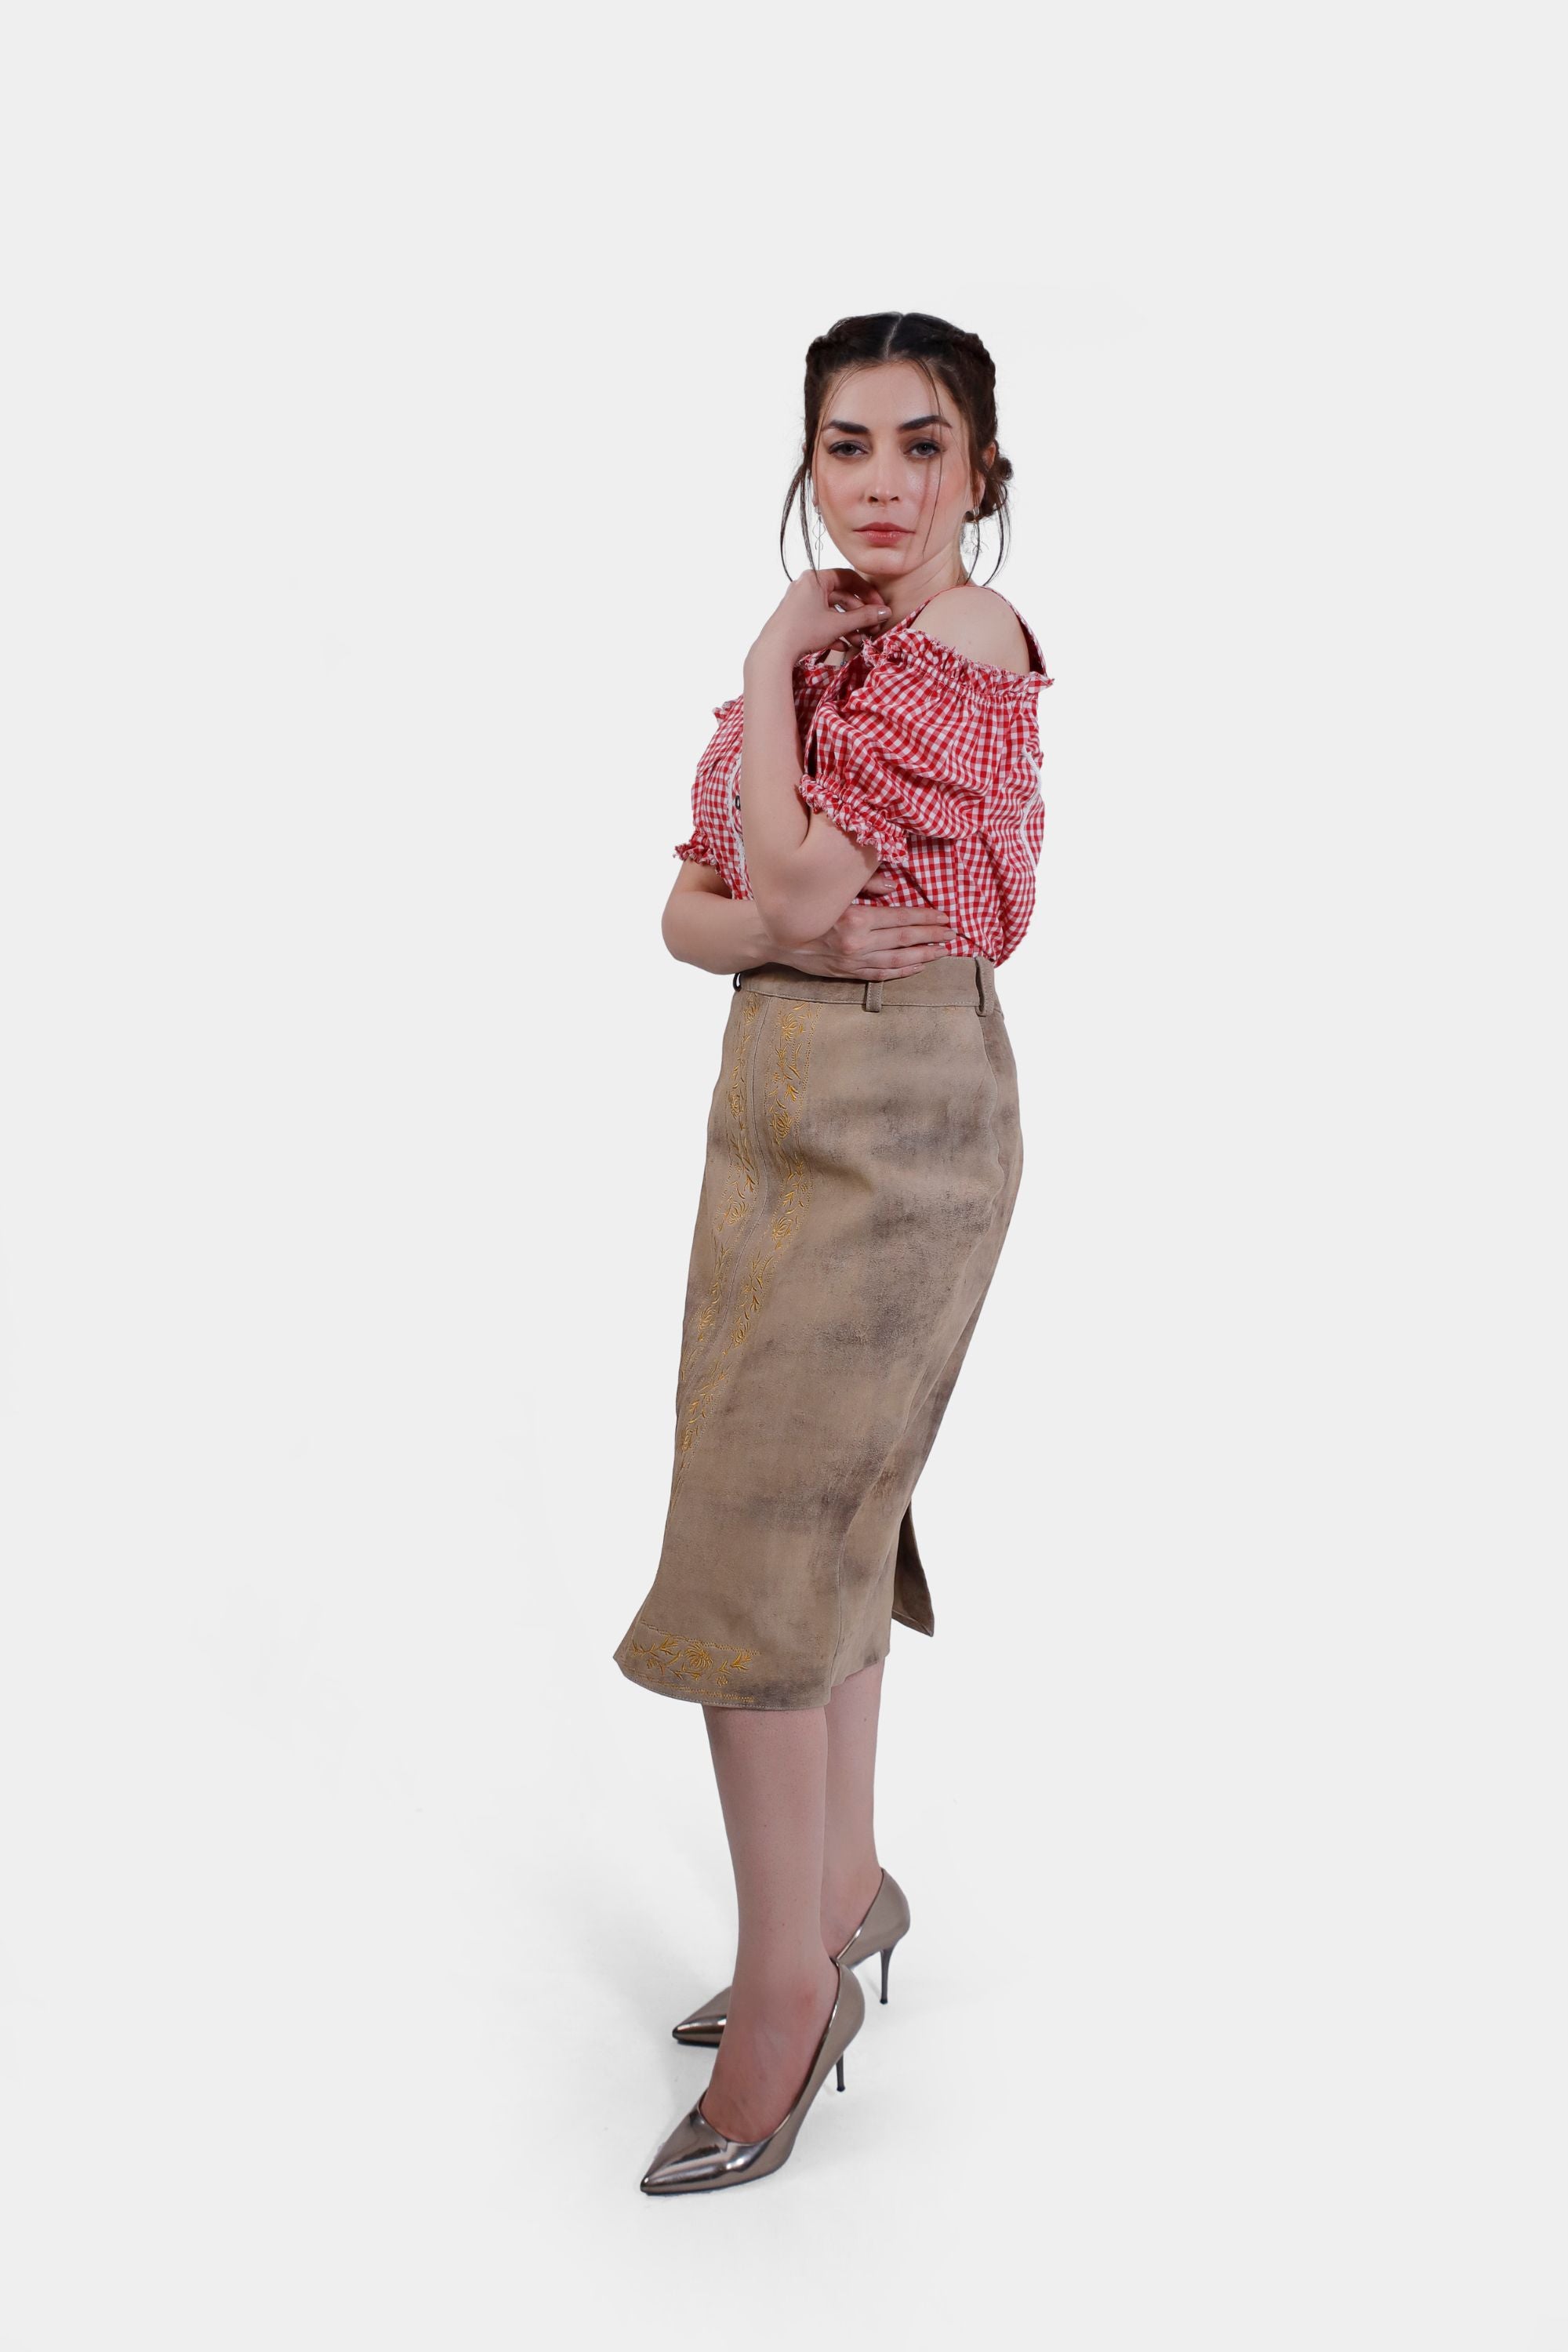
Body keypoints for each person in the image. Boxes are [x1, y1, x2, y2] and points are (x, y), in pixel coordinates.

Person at [612, 311, 1054, 2195]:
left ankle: (791, 1994)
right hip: (783, 1102)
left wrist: (765, 656)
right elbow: (683, 915)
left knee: (757, 1547)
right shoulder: (848, 655)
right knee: (823, 1523)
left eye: (920, 446)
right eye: (845, 447)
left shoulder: (953, 645)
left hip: (894, 1118)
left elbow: (774, 887)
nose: (877, 484)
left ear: (984, 475)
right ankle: (846, 1888)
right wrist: (763, 905)